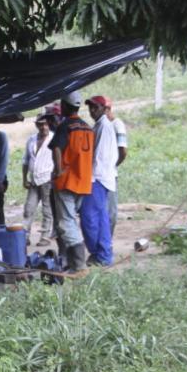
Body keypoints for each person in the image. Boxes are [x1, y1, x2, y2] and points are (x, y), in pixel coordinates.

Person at [49, 91, 94, 272]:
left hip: (67, 181)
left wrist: (58, 170)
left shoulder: (65, 126)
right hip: (83, 181)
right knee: (71, 221)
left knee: (66, 223)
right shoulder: (87, 127)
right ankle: (72, 262)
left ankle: (79, 265)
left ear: (65, 106)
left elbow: (57, 149)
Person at [81, 95, 116, 266]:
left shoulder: (103, 126)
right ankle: (103, 254)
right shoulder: (100, 126)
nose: (92, 111)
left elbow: (98, 157)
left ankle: (98, 253)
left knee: (89, 218)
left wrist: (89, 177)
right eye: (90, 108)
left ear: (103, 108)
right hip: (101, 178)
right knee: (100, 217)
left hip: (97, 178)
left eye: (95, 107)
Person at [22, 114, 55, 246]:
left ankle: (45, 237)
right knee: (29, 208)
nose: (43, 127)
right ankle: (24, 236)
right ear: (36, 125)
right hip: (34, 179)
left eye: (45, 124)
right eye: (40, 124)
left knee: (47, 210)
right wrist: (24, 178)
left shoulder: (53, 138)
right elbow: (25, 160)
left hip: (47, 179)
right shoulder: (31, 140)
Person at [104, 107, 128, 235]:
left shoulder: (117, 125)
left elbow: (123, 151)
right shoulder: (102, 125)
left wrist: (113, 165)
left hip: (110, 174)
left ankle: (108, 241)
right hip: (101, 174)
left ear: (107, 109)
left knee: (110, 211)